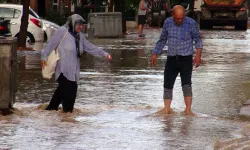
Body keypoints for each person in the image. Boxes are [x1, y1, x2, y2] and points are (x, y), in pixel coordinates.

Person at [41, 14, 112, 113]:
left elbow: (90, 47)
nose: (81, 27)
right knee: (69, 99)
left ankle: (48, 114)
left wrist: (104, 54)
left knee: (59, 97)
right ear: (73, 23)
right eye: (78, 24)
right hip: (63, 70)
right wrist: (44, 56)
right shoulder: (62, 31)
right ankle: (67, 121)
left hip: (74, 72)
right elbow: (51, 44)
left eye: (82, 25)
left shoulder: (80, 36)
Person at [150, 5, 202, 115]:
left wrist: (198, 56)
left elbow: (198, 40)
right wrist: (155, 53)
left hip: (186, 59)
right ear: (173, 15)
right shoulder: (168, 22)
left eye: (181, 18)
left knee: (186, 84)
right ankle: (167, 110)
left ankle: (188, 110)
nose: (179, 20)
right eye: (177, 18)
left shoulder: (191, 23)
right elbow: (162, 39)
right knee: (167, 84)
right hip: (172, 58)